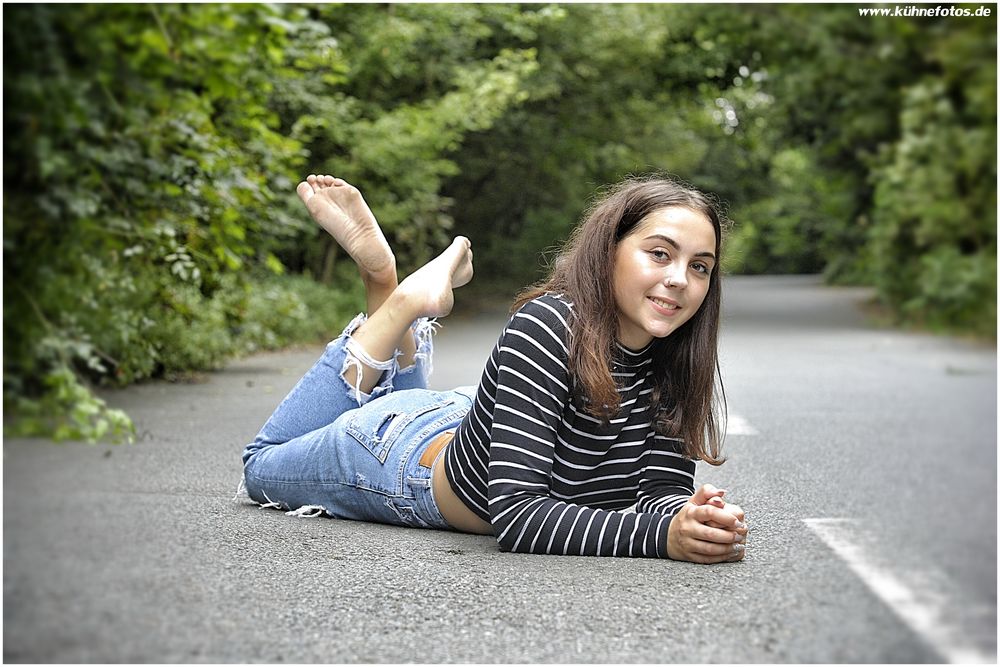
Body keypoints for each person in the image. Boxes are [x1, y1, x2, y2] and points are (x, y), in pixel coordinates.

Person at [239, 173, 748, 563]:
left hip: (472, 421)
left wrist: (694, 519)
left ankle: (387, 287)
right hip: (391, 457)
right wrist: (664, 538)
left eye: (699, 266)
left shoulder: (677, 354)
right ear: (608, 251)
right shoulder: (549, 324)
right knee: (260, 467)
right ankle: (397, 299)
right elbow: (518, 515)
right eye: (659, 254)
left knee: (404, 403)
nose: (680, 279)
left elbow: (660, 491)